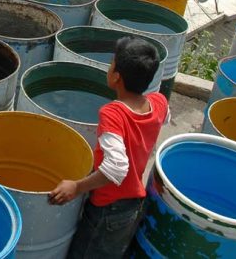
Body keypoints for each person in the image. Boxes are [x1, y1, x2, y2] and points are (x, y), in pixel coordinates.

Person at [49, 36, 170, 259]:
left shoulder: (113, 114)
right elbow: (164, 118)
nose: (109, 67)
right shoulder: (158, 102)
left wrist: (76, 186)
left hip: (107, 210)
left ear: (116, 77)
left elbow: (116, 168)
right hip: (132, 204)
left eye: (112, 63)